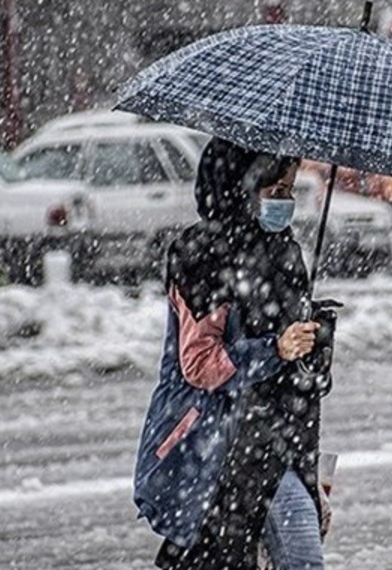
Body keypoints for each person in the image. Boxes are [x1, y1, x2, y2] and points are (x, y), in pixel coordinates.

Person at [133, 137, 332, 569]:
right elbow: (200, 364)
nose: (285, 203)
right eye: (274, 191)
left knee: (301, 557)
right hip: (214, 447)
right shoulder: (202, 254)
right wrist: (274, 349)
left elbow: (296, 381)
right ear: (239, 187)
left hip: (274, 442)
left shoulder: (284, 253)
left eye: (290, 191)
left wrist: (312, 343)